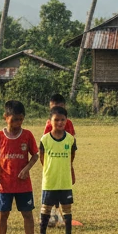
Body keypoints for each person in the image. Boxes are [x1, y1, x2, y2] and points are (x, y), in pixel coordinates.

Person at [0, 99, 39, 234]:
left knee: (28, 215)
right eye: (14, 120)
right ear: (5, 117)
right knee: (3, 215)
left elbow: (35, 155)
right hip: (5, 185)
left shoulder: (27, 135)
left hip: (23, 185)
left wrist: (27, 168)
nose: (18, 123)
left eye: (21, 120)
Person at [38, 106, 77, 234]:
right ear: (50, 121)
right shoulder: (45, 139)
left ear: (66, 121)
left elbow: (72, 156)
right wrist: (50, 169)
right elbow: (42, 158)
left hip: (64, 180)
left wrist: (67, 169)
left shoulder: (70, 139)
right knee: (46, 208)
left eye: (62, 120)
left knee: (67, 208)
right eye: (56, 120)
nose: (60, 123)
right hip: (50, 180)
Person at [41, 94, 75, 222]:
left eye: (59, 107)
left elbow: (72, 144)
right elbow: (45, 145)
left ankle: (61, 214)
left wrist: (70, 165)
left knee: (64, 189)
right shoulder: (50, 124)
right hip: (53, 163)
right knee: (52, 189)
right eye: (53, 108)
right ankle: (52, 214)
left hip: (64, 161)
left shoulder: (69, 123)